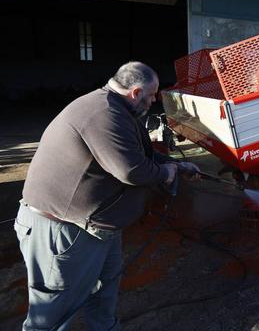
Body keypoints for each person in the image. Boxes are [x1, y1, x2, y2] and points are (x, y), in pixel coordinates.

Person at [13, 62, 199, 330]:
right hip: (63, 231)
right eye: (152, 94)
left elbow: (140, 156)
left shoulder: (120, 111)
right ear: (135, 92)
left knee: (103, 294)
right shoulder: (103, 114)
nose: (155, 99)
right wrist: (165, 173)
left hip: (97, 229)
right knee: (52, 313)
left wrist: (177, 166)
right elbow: (132, 170)